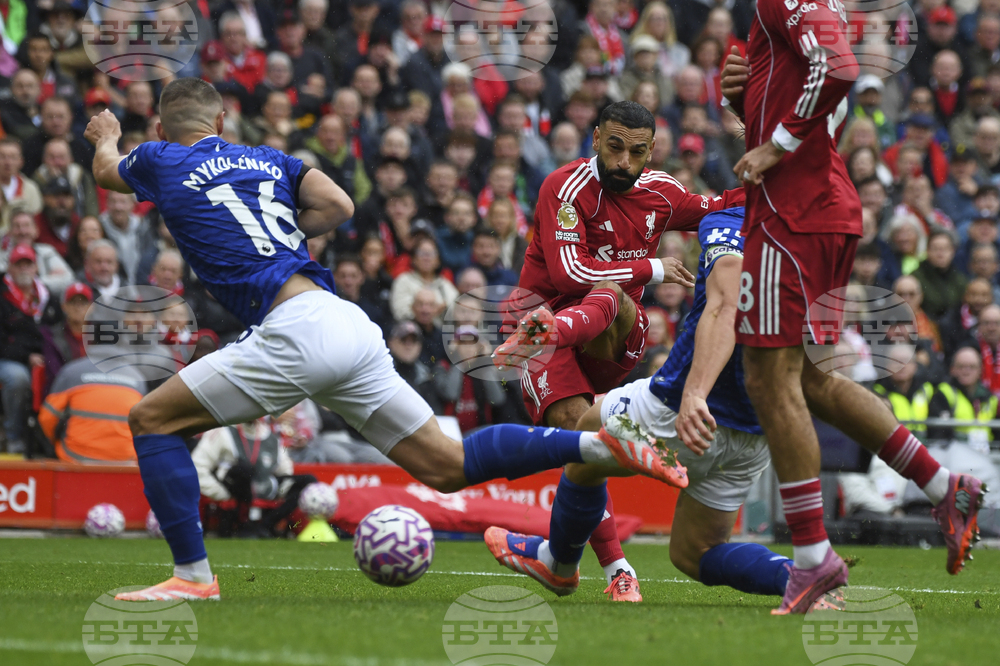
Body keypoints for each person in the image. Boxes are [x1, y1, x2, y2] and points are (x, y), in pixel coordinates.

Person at [85, 78, 685, 601]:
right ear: (221, 122)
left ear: (165, 125)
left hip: (291, 331)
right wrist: (287, 237)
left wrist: (106, 135)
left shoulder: (160, 156)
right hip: (343, 320)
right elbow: (339, 203)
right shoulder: (267, 158)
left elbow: (108, 173)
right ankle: (596, 446)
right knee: (447, 466)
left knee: (151, 420)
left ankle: (191, 576)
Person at [722, 0, 986, 614]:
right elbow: (815, 88)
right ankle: (946, 487)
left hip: (795, 214)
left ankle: (813, 560)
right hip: (818, 207)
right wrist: (744, 104)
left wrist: (775, 146)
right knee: (812, 380)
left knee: (768, 378)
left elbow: (836, 70)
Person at [487, 207, 835, 606]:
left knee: (582, 433)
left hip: (683, 407)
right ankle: (796, 576)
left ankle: (559, 562)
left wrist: (694, 394)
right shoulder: (818, 235)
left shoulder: (730, 219)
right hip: (755, 431)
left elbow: (725, 307)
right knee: (693, 552)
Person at [492, 100, 744, 601]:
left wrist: (775, 183)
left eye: (636, 152)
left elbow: (718, 208)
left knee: (610, 295)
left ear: (650, 152)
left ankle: (544, 335)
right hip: (552, 322)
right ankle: (611, 572)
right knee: (581, 437)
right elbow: (568, 274)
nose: (623, 162)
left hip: (611, 334)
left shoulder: (661, 193)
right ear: (595, 141)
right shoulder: (563, 190)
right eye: (614, 147)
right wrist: (653, 269)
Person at [191, 414, 317, 538]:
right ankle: (244, 523)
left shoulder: (269, 434)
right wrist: (219, 492)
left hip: (263, 485)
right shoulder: (223, 432)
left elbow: (285, 470)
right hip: (234, 489)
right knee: (243, 469)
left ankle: (265, 525)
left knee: (308, 481)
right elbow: (198, 466)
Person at [0, 244, 61, 455]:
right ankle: (14, 435)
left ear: (36, 267)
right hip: (8, 358)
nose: (24, 269)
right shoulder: (2, 295)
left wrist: (46, 356)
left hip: (43, 357)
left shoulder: (47, 297)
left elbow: (57, 333)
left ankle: (52, 439)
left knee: (61, 374)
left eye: (29, 264)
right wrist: (27, 356)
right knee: (18, 379)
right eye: (19, 265)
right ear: (10, 267)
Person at [39, 356, 146, 464]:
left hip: (73, 459)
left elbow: (47, 418)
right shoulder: (138, 377)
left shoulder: (72, 372)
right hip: (125, 462)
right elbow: (145, 426)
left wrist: (55, 442)